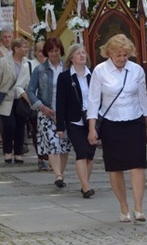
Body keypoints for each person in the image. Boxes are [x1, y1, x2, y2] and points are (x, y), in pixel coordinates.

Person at [87, 34, 147, 223]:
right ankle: (124, 206)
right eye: (118, 55)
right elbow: (93, 101)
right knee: (115, 167)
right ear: (109, 53)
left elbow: (142, 97)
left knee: (138, 164)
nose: (122, 58)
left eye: (125, 55)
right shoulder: (100, 71)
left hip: (134, 120)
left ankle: (138, 207)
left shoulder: (136, 70)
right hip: (111, 122)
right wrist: (92, 128)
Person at [27, 37, 72, 187]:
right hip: (47, 112)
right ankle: (58, 175)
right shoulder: (40, 70)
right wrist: (41, 106)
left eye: (57, 50)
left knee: (64, 145)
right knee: (53, 144)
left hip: (64, 113)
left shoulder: (67, 68)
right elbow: (31, 91)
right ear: (47, 52)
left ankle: (61, 173)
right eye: (51, 51)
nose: (54, 53)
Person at [56, 44, 96, 198]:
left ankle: (84, 182)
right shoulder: (65, 77)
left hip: (92, 120)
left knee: (90, 154)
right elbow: (60, 102)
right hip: (74, 120)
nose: (82, 55)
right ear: (71, 58)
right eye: (78, 53)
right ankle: (86, 187)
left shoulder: (93, 74)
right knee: (81, 152)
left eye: (83, 53)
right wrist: (60, 126)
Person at [0, 38, 31, 163]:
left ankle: (18, 153)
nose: (26, 49)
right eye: (24, 46)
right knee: (9, 125)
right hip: (6, 99)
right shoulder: (4, 62)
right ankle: (7, 152)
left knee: (20, 126)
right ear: (16, 48)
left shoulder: (27, 63)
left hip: (20, 99)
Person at [29, 40, 50, 171]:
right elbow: (21, 87)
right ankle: (41, 158)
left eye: (44, 50)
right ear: (35, 52)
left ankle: (53, 158)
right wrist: (32, 101)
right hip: (35, 105)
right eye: (39, 50)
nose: (42, 53)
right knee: (38, 133)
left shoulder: (55, 66)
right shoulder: (30, 66)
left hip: (52, 106)